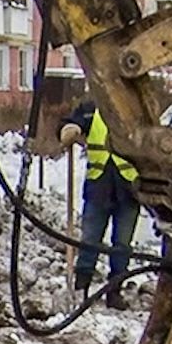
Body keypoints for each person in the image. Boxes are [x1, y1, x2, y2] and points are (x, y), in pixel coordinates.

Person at [59, 100, 140, 309]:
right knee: (90, 241)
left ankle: (114, 291)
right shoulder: (92, 110)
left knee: (122, 245)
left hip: (128, 188)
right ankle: (81, 288)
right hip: (99, 187)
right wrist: (69, 129)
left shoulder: (135, 111)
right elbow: (71, 123)